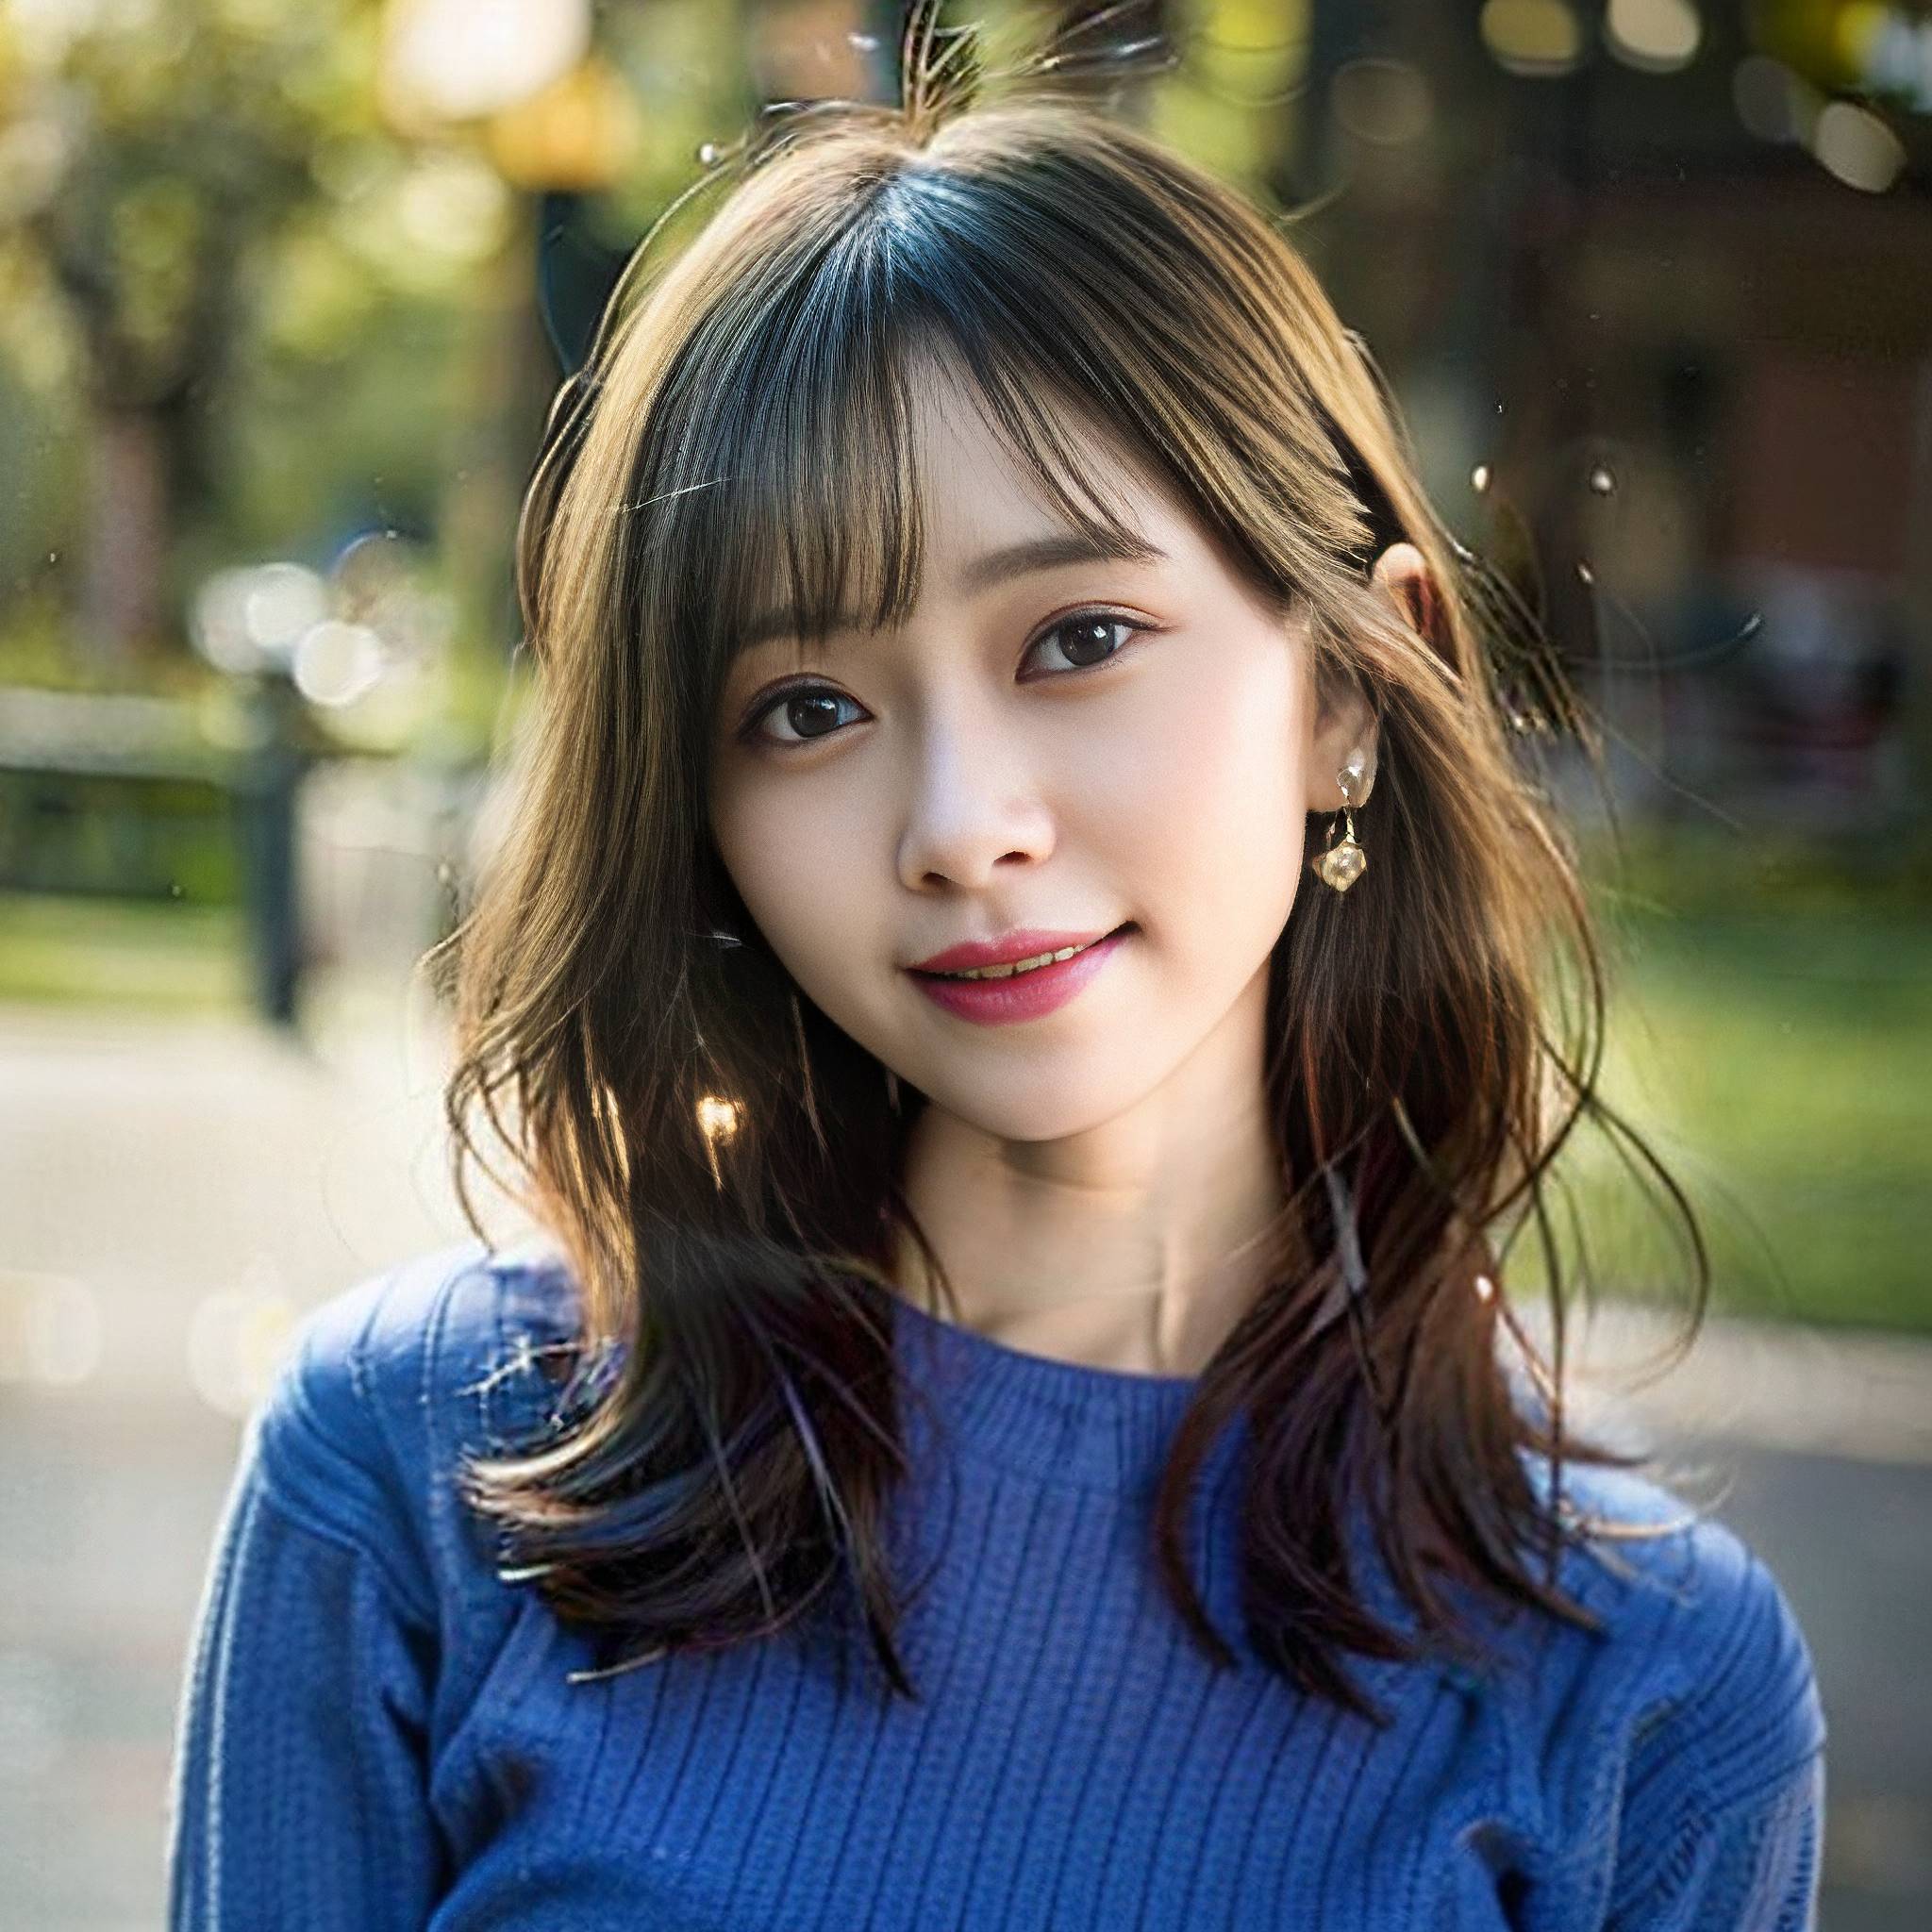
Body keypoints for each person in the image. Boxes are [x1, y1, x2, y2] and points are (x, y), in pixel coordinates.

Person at [165, 12, 1825, 1928]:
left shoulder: (1646, 1694)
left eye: (1075, 638)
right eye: (803, 706)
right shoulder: (422, 1481)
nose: (959, 821)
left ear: (1354, 692)